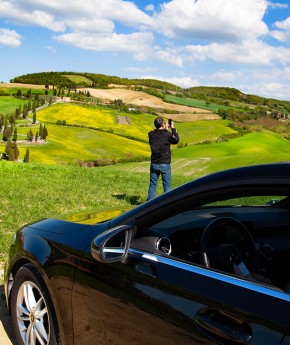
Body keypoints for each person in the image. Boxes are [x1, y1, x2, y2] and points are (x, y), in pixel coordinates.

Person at [147, 117, 179, 201]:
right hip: (165, 163)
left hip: (154, 163)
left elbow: (160, 135)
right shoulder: (167, 135)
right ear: (162, 124)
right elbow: (176, 140)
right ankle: (167, 203)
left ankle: (148, 204)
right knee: (167, 185)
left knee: (153, 184)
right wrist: (173, 128)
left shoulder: (150, 134)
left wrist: (165, 129)